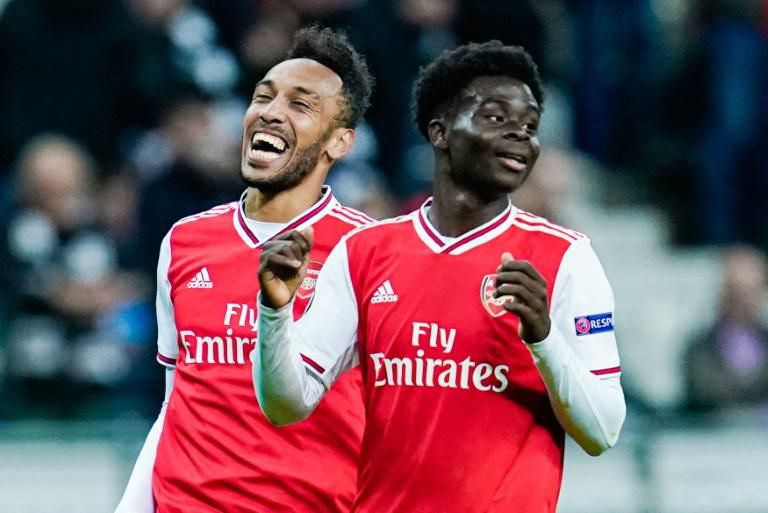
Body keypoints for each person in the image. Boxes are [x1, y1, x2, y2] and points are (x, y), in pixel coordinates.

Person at [254, 41, 626, 513]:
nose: (519, 134)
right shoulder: (365, 252)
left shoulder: (565, 258)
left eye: (530, 126)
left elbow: (603, 431)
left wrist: (544, 338)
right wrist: (274, 312)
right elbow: (285, 405)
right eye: (496, 117)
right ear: (440, 131)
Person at [114, 26, 374, 513]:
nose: (271, 112)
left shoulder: (369, 253)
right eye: (263, 97)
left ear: (339, 143)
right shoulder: (185, 240)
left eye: (300, 105)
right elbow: (176, 404)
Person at [684, 245, 768, 412]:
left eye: (752, 291)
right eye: (737, 291)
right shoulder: (699, 350)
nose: (744, 300)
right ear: (722, 292)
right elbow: (706, 392)